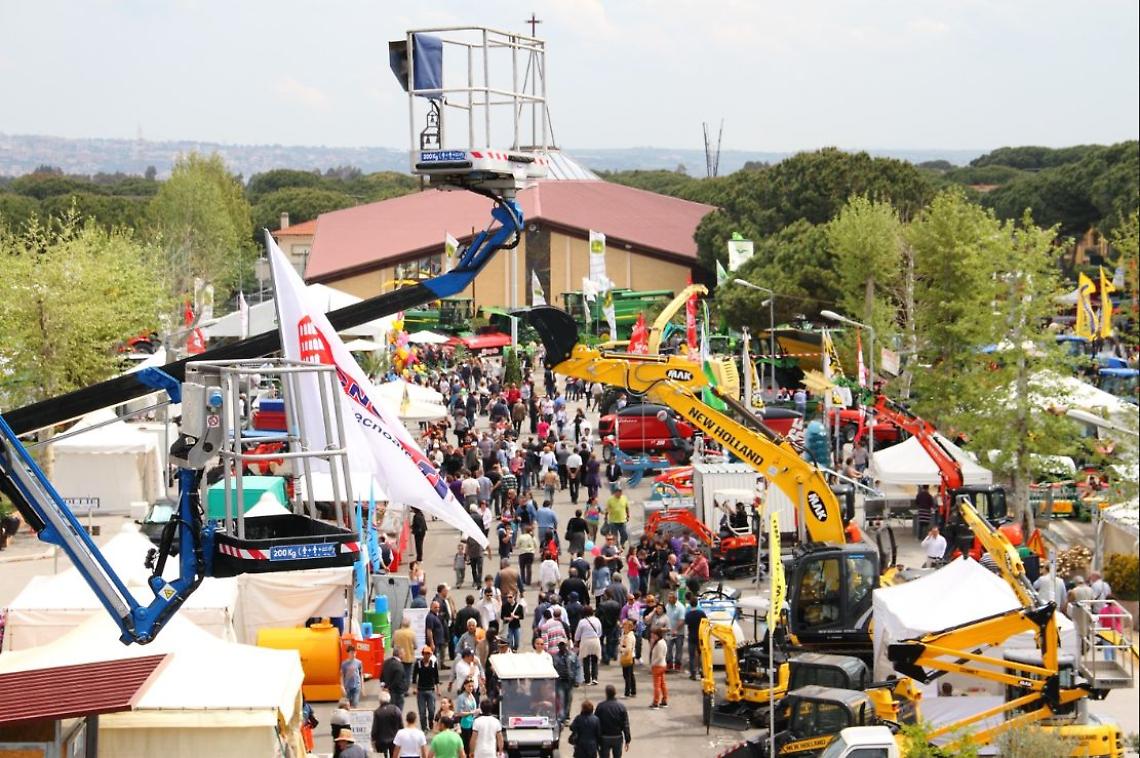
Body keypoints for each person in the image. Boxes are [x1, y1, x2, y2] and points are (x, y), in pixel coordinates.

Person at [595, 684, 631, 758]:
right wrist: (627, 739)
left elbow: (596, 722)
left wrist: (595, 738)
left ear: (606, 693)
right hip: (617, 736)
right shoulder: (621, 707)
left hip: (604, 737)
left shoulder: (601, 706)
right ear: (615, 693)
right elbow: (625, 724)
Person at [414, 645, 442, 733]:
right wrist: (415, 689)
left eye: (428, 654)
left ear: (431, 655)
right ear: (422, 654)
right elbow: (414, 678)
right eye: (425, 654)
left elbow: (436, 678)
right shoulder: (418, 664)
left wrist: (438, 689)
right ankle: (424, 727)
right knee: (422, 712)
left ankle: (431, 723)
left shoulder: (433, 664)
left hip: (431, 690)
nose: (426, 655)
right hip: (421, 690)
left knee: (431, 710)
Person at [575, 606, 604, 685]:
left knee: (586, 660)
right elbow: (600, 632)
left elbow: (578, 634)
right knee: (595, 660)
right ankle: (594, 678)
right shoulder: (597, 620)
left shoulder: (582, 622)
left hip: (585, 641)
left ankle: (587, 679)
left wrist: (576, 641)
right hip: (595, 640)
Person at [371, 690, 404, 758]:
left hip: (381, 740)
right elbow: (401, 725)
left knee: (383, 756)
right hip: (394, 739)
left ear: (380, 701)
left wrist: (373, 738)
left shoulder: (377, 712)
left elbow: (375, 728)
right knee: (393, 755)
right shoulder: (395, 709)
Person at [683, 595, 706, 680]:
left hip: (691, 636)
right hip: (700, 636)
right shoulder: (701, 613)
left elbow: (686, 623)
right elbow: (706, 622)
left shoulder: (688, 614)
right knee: (701, 655)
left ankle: (693, 673)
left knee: (692, 655)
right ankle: (702, 672)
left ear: (690, 604)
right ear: (697, 603)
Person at [382, 645, 410, 709]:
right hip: (398, 692)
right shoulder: (399, 665)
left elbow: (382, 676)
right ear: (399, 654)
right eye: (403, 653)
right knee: (397, 712)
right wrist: (389, 688)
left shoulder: (386, 662)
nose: (404, 654)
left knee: (389, 710)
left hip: (388, 692)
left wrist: (384, 687)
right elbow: (397, 680)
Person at [394, 618, 418, 691]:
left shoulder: (396, 632)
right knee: (407, 675)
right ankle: (405, 690)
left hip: (397, 657)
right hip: (408, 657)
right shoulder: (412, 633)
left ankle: (399, 688)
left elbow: (392, 645)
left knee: (398, 674)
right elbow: (416, 646)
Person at [454, 678, 479, 747]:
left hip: (473, 722)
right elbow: (459, 713)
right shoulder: (461, 697)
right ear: (465, 686)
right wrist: (471, 712)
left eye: (472, 686)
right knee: (467, 743)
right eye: (469, 686)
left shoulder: (472, 695)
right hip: (465, 723)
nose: (471, 688)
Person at [648, 630, 669, 709]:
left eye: (653, 635)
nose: (652, 636)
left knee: (657, 685)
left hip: (658, 666)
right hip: (663, 665)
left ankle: (656, 702)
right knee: (662, 684)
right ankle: (664, 700)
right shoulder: (662, 642)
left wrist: (653, 664)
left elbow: (659, 657)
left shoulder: (659, 644)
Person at [618, 619, 637, 697]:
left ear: (629, 628)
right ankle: (633, 691)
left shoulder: (629, 637)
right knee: (630, 675)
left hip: (628, 657)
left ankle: (627, 692)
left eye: (625, 627)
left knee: (627, 675)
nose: (623, 628)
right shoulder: (625, 635)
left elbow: (628, 649)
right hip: (629, 656)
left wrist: (620, 648)